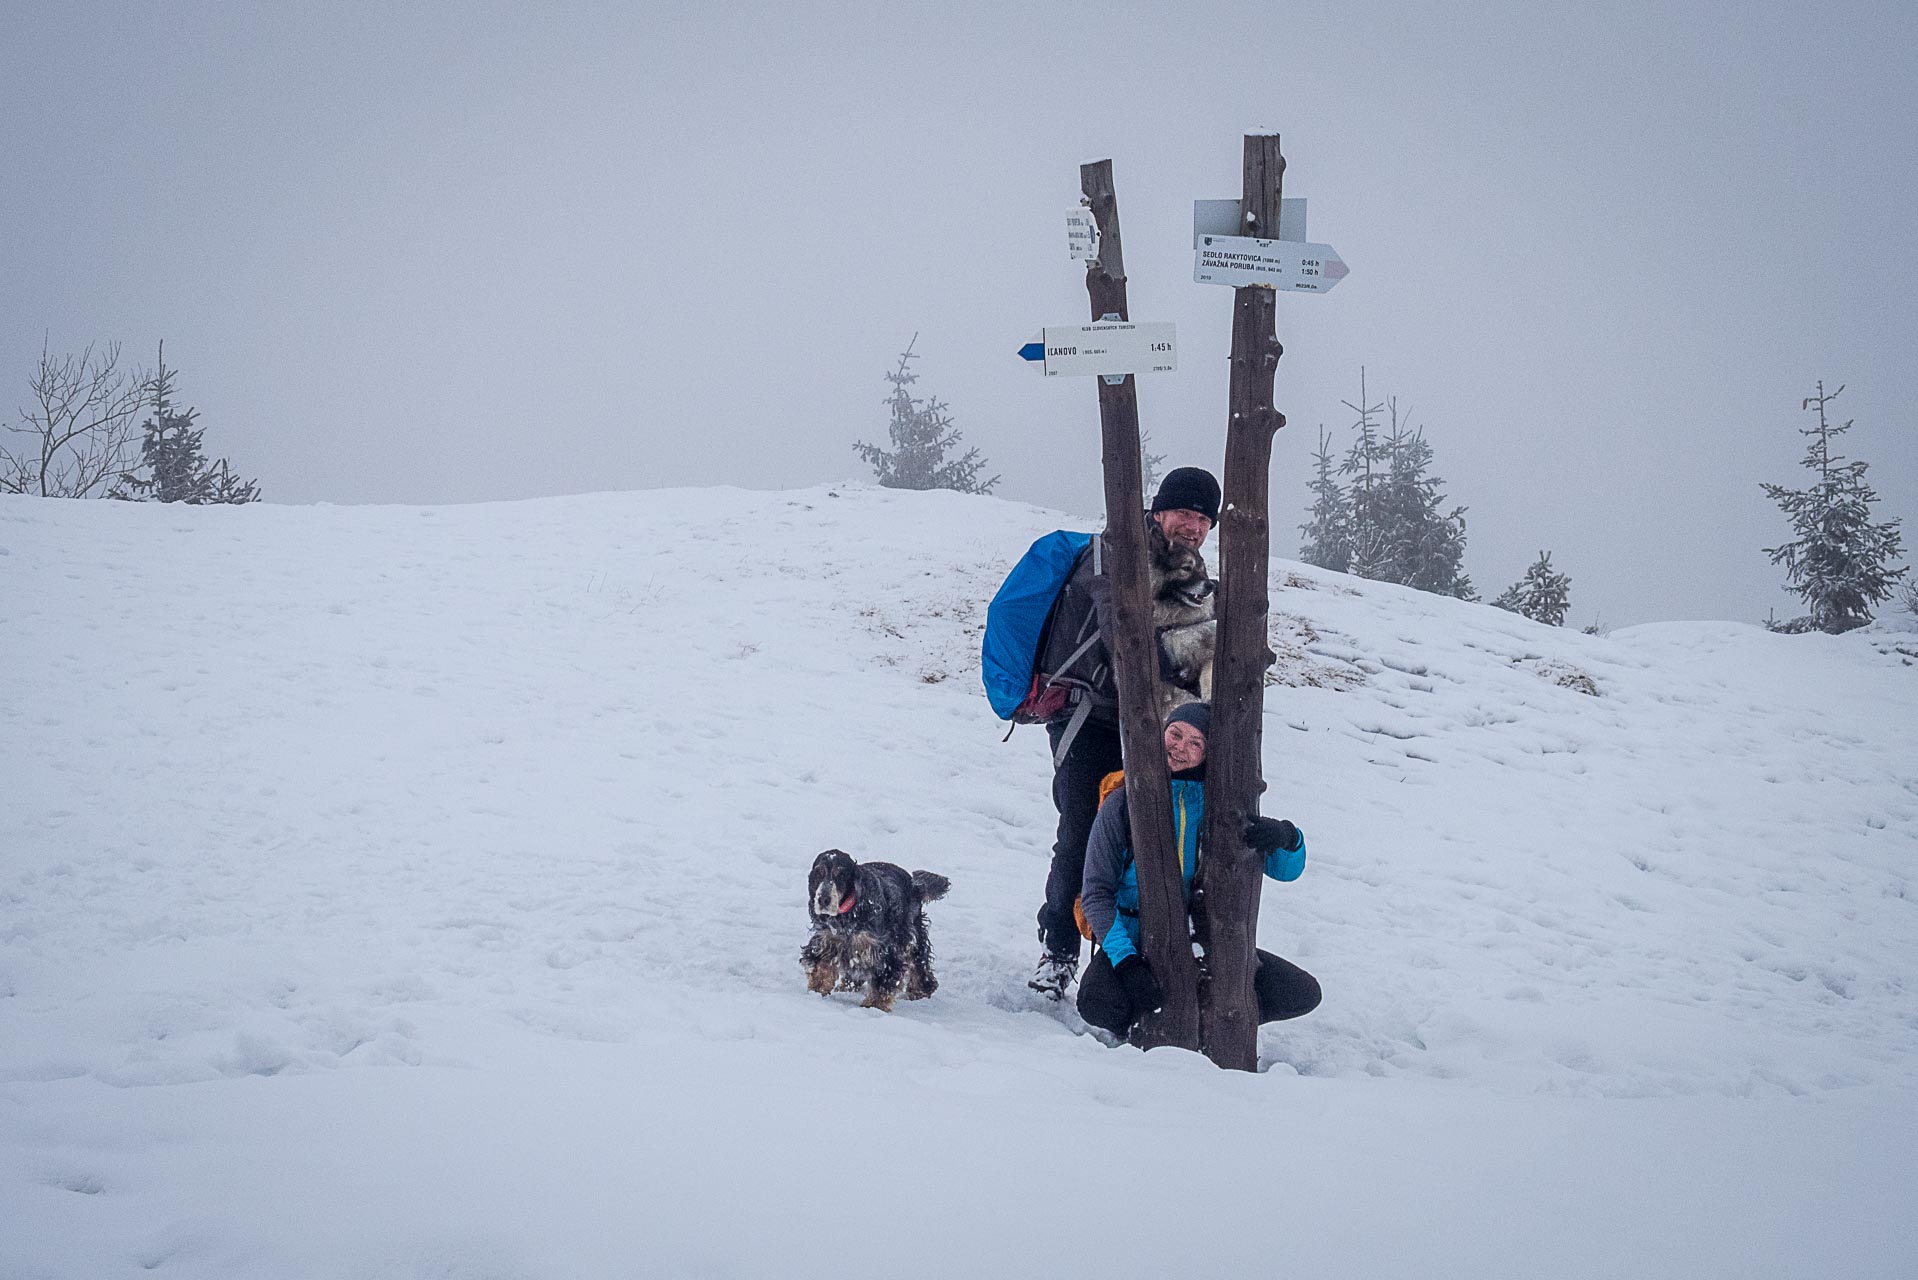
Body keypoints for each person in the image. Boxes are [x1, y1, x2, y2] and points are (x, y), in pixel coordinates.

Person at [1030, 466, 1223, 998]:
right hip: (1090, 718)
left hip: (1157, 726)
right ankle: (1060, 950)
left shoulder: (1193, 576)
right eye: (1186, 513)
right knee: (1084, 830)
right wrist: (1207, 640)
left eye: (1205, 519)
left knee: (1158, 833)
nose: (1194, 526)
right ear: (1159, 512)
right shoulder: (1113, 555)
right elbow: (1131, 644)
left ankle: (1142, 950)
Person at [1076, 701, 1322, 1040]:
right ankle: (1138, 1027)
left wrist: (1287, 838)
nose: (1180, 748)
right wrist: (1126, 962)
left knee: (1301, 993)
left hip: (1209, 943)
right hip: (1136, 940)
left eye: (1196, 743)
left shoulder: (1222, 805)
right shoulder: (1123, 802)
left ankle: (1214, 1022)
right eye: (1175, 734)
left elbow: (1285, 871)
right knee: (1096, 1002)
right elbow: (1096, 893)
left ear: (1208, 755)